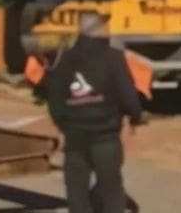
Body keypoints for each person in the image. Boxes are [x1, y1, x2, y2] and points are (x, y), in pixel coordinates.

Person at [44, 12, 144, 213]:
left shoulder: (63, 58)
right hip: (105, 135)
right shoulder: (113, 57)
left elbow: (53, 96)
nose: (109, 30)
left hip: (75, 135)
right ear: (97, 30)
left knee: (76, 192)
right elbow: (127, 93)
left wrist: (63, 124)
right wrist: (135, 115)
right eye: (105, 26)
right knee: (111, 189)